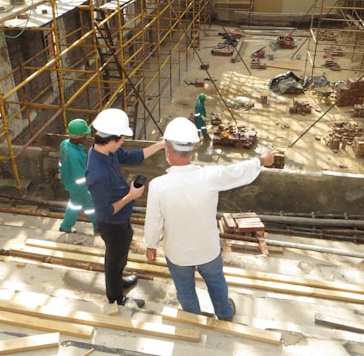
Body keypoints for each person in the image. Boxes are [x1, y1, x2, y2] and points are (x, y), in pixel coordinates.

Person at [143, 117, 275, 321]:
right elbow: (238, 172)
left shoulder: (159, 185)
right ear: (193, 149)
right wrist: (261, 160)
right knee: (216, 283)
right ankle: (224, 313)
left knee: (185, 289)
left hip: (177, 253)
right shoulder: (209, 176)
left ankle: (193, 318)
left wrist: (150, 245)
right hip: (208, 249)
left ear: (167, 149)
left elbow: (153, 221)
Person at [85, 108, 165, 308]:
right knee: (114, 259)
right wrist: (131, 196)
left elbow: (132, 157)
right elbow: (104, 212)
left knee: (118, 255)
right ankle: (116, 297)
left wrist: (160, 145)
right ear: (111, 139)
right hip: (112, 223)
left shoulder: (106, 150)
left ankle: (118, 281)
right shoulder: (97, 174)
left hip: (121, 219)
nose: (123, 142)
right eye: (121, 139)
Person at [58, 119, 97, 234]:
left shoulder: (65, 143)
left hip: (69, 182)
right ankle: (99, 227)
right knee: (92, 206)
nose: (86, 136)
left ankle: (65, 226)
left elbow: (62, 163)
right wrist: (88, 189)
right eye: (85, 134)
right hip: (79, 187)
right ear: (78, 136)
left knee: (74, 204)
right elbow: (79, 177)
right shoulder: (74, 154)